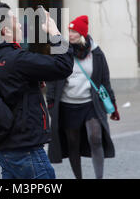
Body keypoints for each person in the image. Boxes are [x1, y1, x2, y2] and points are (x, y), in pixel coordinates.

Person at [0, 3, 74, 179]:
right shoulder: (15, 59)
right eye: (16, 21)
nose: (19, 25)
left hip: (6, 147)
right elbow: (62, 66)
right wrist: (54, 33)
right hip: (25, 147)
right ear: (4, 31)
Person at [46, 15, 119, 179]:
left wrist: (113, 104)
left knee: (96, 137)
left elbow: (105, 80)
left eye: (74, 31)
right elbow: (52, 77)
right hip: (67, 105)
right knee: (73, 144)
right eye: (69, 31)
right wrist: (50, 102)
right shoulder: (62, 50)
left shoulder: (97, 53)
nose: (70, 34)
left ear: (82, 33)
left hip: (90, 105)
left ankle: (99, 177)